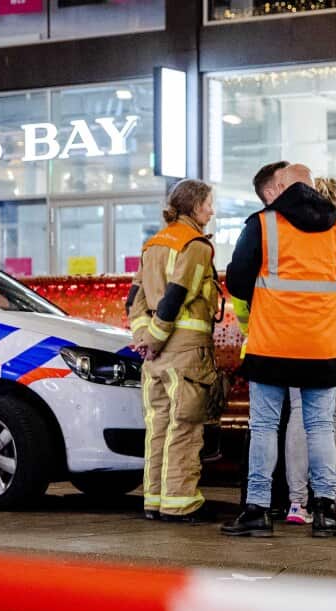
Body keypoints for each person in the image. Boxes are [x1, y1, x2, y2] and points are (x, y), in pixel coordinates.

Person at [222, 164, 336, 538]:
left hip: (272, 342)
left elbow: (236, 281)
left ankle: (257, 509)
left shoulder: (262, 224)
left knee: (266, 426)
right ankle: (325, 510)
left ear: (282, 186)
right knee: (319, 426)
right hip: (323, 344)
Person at [126, 179, 220, 522]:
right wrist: (155, 339)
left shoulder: (153, 243)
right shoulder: (195, 245)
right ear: (194, 206)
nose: (212, 209)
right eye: (209, 203)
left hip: (155, 359)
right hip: (184, 354)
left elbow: (133, 300)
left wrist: (144, 340)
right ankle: (180, 504)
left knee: (159, 427)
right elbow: (176, 297)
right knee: (184, 426)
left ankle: (153, 499)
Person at [281, 177, 336, 526]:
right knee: (330, 418)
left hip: (293, 330)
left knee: (299, 415)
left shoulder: (286, 230)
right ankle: (330, 501)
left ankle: (297, 503)